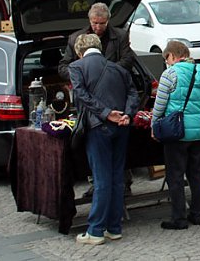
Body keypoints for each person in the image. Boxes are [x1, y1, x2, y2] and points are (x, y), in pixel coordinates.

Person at [68, 33, 138, 245]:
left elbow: (81, 95)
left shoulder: (77, 67)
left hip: (99, 126)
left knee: (101, 179)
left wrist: (106, 113)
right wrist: (127, 113)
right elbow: (133, 93)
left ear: (80, 51)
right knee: (117, 177)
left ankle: (96, 230)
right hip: (121, 126)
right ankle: (114, 227)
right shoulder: (118, 68)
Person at [152, 41, 200, 230]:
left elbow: (160, 104)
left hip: (178, 131)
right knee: (196, 173)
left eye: (166, 59)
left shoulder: (170, 74)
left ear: (171, 55)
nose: (167, 63)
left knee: (175, 175)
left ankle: (179, 217)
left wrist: (154, 124)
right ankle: (197, 213)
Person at [59, 2, 135, 82]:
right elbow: (63, 67)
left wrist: (106, 73)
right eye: (95, 23)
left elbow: (128, 61)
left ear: (107, 21)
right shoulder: (75, 38)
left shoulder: (121, 36)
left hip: (112, 82)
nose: (98, 27)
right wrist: (82, 75)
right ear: (90, 20)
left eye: (102, 23)